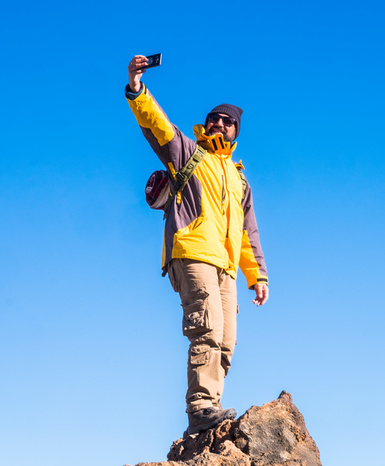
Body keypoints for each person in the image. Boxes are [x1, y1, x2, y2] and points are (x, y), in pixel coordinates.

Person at [125, 55, 269, 434]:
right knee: (205, 329)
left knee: (225, 341)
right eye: (215, 118)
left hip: (223, 264)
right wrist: (137, 88)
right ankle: (200, 406)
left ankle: (211, 411)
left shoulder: (240, 180)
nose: (220, 123)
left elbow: (247, 235)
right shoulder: (188, 153)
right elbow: (157, 126)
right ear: (207, 123)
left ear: (236, 131)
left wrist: (258, 277)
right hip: (191, 252)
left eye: (228, 122)